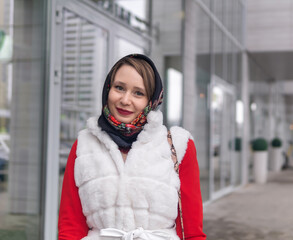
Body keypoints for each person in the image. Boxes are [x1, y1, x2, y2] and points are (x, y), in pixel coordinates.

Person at [58, 54, 206, 240]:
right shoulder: (84, 146)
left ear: (151, 100)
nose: (125, 100)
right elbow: (70, 227)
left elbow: (192, 231)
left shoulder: (178, 145)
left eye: (138, 93)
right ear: (108, 89)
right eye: (119, 88)